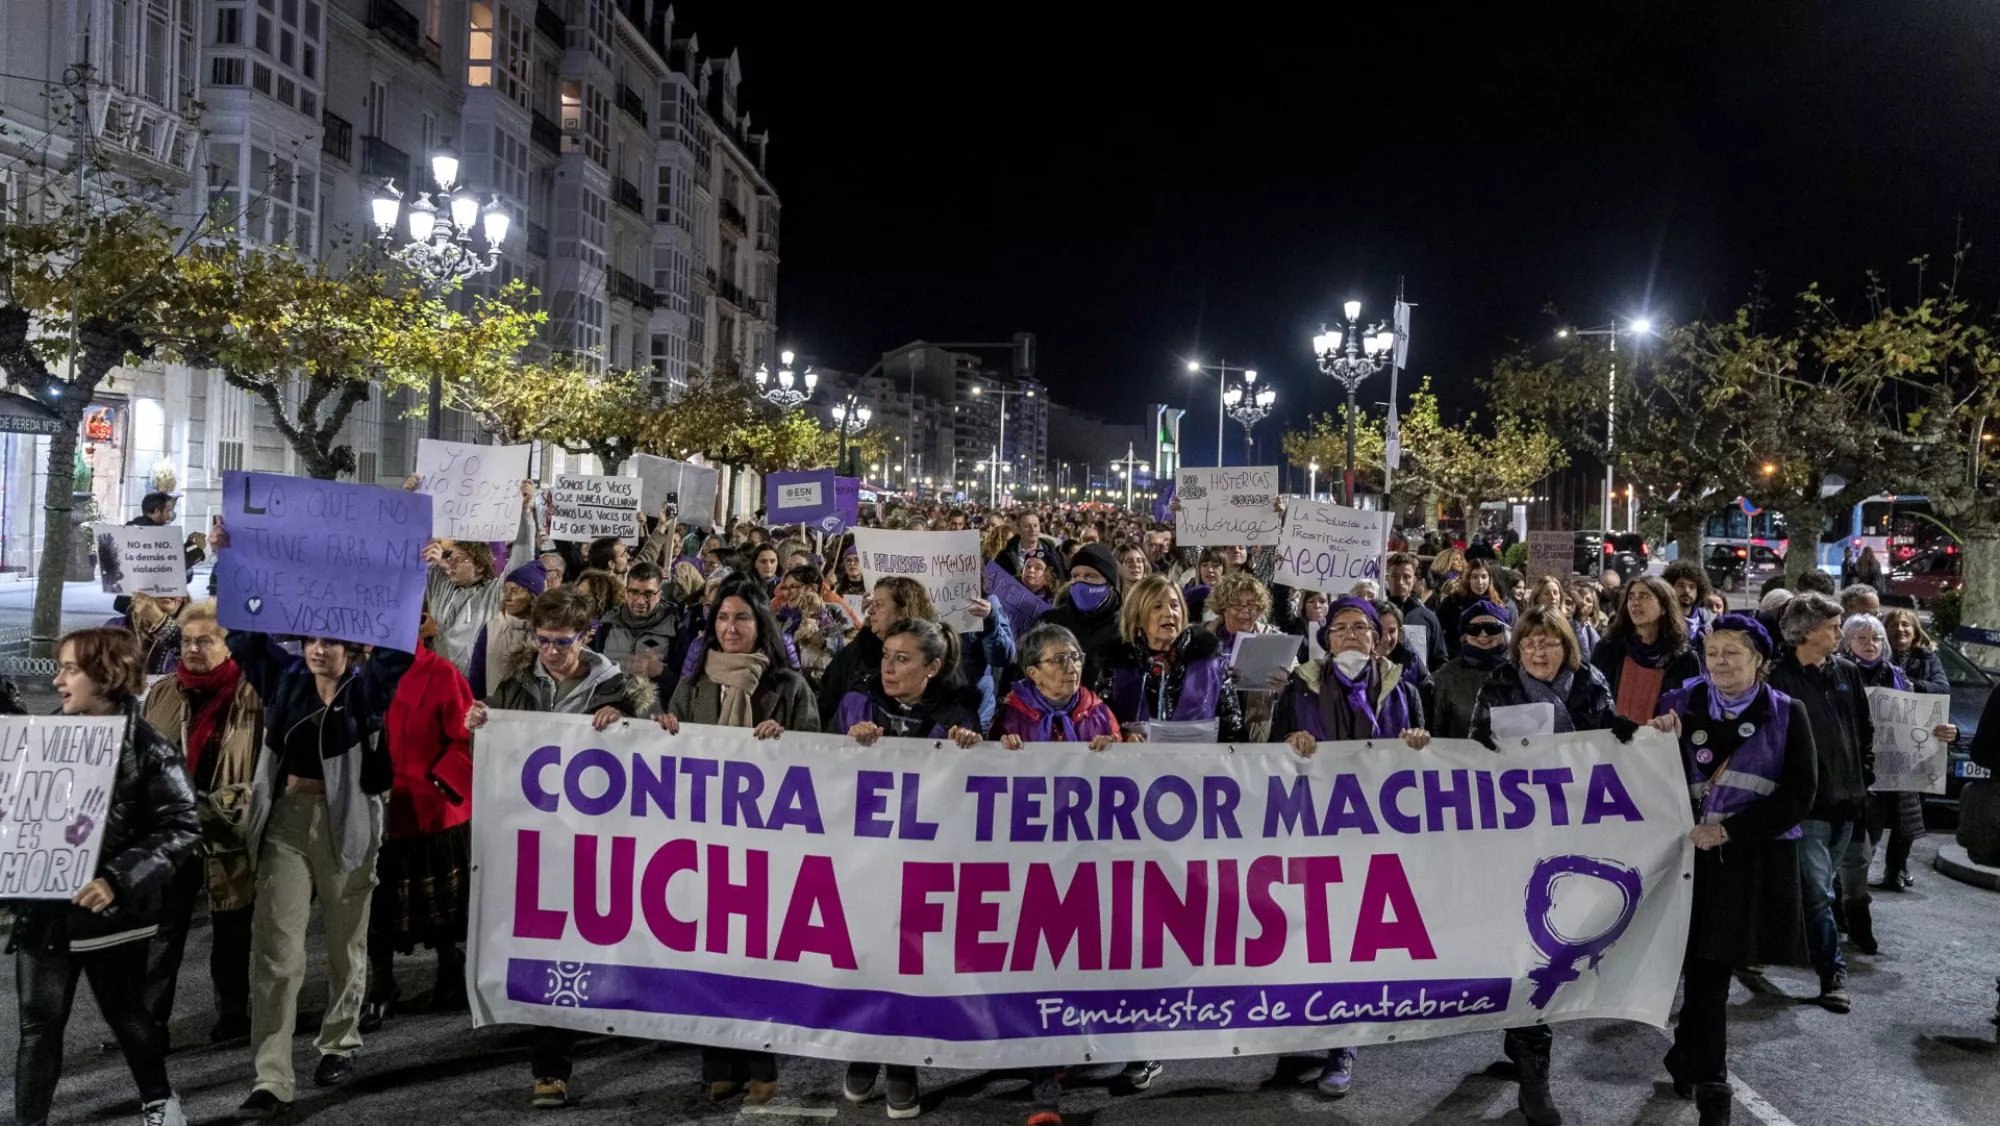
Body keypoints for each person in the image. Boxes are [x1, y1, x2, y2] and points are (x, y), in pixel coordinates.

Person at [465, 587, 651, 1109]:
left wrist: (627, 727)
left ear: (585, 636)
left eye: (561, 642)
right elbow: (493, 746)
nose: (550, 651)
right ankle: (550, 1067)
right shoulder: (516, 687)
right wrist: (480, 723)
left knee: (601, 942)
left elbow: (654, 751)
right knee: (551, 949)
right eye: (543, 640)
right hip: (536, 843)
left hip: (599, 841)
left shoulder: (616, 690)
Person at [221, 619, 413, 1118]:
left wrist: (411, 577)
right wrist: (230, 554)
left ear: (350, 647)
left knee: (345, 939)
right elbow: (242, 634)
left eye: (329, 641)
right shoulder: (285, 679)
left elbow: (398, 651)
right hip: (285, 821)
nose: (318, 650)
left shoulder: (367, 686)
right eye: (311, 641)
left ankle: (338, 1041)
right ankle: (271, 1076)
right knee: (276, 950)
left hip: (347, 822)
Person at [13, 628, 199, 1126]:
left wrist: (116, 879)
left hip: (110, 911)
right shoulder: (47, 734)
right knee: (38, 1023)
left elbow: (182, 826)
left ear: (105, 675)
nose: (57, 680)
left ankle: (160, 1103)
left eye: (70, 669)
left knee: (125, 1013)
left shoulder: (148, 746)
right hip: (47, 909)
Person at [1467, 607, 1632, 1125]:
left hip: (1574, 838)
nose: (1539, 652)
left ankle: (1530, 1064)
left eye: (1550, 643)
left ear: (1568, 647)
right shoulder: (1498, 684)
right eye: (1530, 644)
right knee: (1522, 946)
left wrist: (1646, 734)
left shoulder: (1590, 685)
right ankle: (1529, 1062)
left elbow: (1614, 742)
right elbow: (1474, 747)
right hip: (1515, 836)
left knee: (1552, 948)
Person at [658, 578, 818, 1105]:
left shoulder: (788, 685)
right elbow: (670, 752)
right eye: (722, 619)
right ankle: (717, 1064)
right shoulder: (693, 684)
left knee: (755, 960)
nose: (730, 628)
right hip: (703, 843)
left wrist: (788, 744)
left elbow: (820, 759)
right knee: (708, 958)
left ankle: (762, 1065)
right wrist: (659, 728)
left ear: (760, 627)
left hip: (766, 846)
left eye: (742, 619)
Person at [1652, 615, 1816, 1126]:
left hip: (1742, 863)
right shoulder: (1677, 704)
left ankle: (1713, 1086)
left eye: (1733, 653)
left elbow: (1799, 795)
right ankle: (1686, 1057)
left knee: (1712, 973)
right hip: (1680, 860)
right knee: (1691, 967)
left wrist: (1729, 831)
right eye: (1713, 652)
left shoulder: (1789, 713)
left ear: (1760, 662)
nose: (1720, 662)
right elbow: (1646, 776)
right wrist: (1650, 740)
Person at [1270, 597, 1428, 1100]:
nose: (1352, 636)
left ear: (1379, 638)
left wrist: (1421, 741)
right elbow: (1270, 751)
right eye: (1340, 628)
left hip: (1378, 832)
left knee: (1355, 940)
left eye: (1362, 627)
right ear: (1326, 639)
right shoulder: (1301, 685)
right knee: (1308, 933)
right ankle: (1301, 1034)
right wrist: (1290, 741)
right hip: (1313, 826)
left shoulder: (1402, 685)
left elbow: (1434, 753)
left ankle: (1343, 1044)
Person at [832, 616, 982, 1118]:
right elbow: (816, 767)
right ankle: (865, 1048)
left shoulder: (959, 714)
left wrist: (969, 751)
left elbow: (971, 794)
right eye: (886, 656)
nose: (889, 667)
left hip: (924, 864)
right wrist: (846, 745)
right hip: (862, 857)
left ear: (933, 667)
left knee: (910, 963)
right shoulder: (858, 701)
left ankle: (900, 1064)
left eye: (903, 658)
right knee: (865, 956)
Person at [138, 603, 260, 1047]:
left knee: (231, 928)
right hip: (170, 832)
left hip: (227, 826)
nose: (192, 648)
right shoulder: (162, 693)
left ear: (228, 646)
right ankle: (149, 1022)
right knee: (163, 930)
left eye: (205, 640)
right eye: (187, 640)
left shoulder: (251, 694)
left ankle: (232, 1014)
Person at [360, 623, 476, 1033]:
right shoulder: (357, 675)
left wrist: (440, 783)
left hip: (430, 812)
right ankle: (381, 984)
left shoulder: (443, 674)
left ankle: (450, 973)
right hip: (375, 811)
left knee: (441, 909)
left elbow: (466, 740)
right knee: (376, 908)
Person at [1765, 592, 1872, 1014]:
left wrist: (1865, 777)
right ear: (1807, 632)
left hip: (1847, 804)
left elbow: (1863, 729)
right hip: (1807, 809)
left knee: (1819, 890)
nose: (1839, 633)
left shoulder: (1846, 672)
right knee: (1819, 894)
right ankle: (1832, 974)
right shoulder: (1778, 678)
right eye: (1831, 627)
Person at [1102, 575, 1244, 741]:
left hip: (1199, 764)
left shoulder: (1210, 662)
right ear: (1138, 617)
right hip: (1136, 764)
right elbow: (1102, 725)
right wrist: (1123, 738)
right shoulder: (1116, 664)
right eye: (1157, 607)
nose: (1169, 613)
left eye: (1175, 605)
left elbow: (1233, 727)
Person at [1879, 607, 1949, 888]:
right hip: (1882, 747)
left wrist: (1908, 686)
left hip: (1916, 748)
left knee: (1907, 815)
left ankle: (1896, 869)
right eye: (1894, 625)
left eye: (1906, 625)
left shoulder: (1927, 659)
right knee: (1874, 813)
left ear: (1915, 630)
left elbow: (1941, 688)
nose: (1901, 630)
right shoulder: (1879, 657)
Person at [1592, 576, 1701, 725]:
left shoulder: (1684, 658)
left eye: (1644, 596)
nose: (1635, 602)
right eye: (1631, 597)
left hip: (1659, 743)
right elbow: (1592, 699)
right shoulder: (1608, 648)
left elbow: (1691, 711)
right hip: (1611, 742)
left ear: (1663, 607)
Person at [590, 559, 681, 709]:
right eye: (634, 592)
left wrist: (662, 672)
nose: (640, 600)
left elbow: (684, 688)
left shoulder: (675, 627)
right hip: (607, 711)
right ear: (625, 593)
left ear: (659, 595)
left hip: (651, 718)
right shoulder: (607, 624)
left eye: (648, 594)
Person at [1037, 544, 1124, 691]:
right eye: (1075, 576)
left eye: (1090, 576)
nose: (1080, 582)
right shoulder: (1050, 622)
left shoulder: (1127, 625)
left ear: (1109, 583)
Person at [1427, 601, 1512, 739]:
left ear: (1505, 632)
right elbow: (1437, 731)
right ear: (1465, 635)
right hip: (1461, 758)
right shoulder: (1445, 676)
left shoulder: (1519, 671)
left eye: (1491, 628)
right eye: (1474, 629)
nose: (1483, 634)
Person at [423, 539, 505, 680]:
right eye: (450, 557)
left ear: (479, 566)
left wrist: (527, 522)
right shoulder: (441, 580)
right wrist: (427, 557)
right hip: (439, 676)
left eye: (459, 559)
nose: (452, 563)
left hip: (476, 683)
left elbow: (520, 563)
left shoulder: (494, 592)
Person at [469, 560, 547, 699]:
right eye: (505, 589)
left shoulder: (548, 632)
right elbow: (477, 676)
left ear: (532, 596)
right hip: (494, 711)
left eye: (514, 590)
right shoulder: (491, 628)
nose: (507, 596)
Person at [1384, 551, 1449, 671]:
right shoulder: (1377, 614)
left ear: (1414, 579)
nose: (1400, 582)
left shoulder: (1427, 617)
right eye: (1395, 576)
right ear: (1387, 578)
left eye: (1406, 576)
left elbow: (1440, 659)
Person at [1436, 558, 1500, 659]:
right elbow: (1438, 629)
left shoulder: (1495, 603)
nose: (1480, 582)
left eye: (1484, 577)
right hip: (1455, 659)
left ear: (1490, 579)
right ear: (1467, 578)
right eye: (1474, 577)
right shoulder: (1453, 601)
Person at [1663, 558, 1717, 641]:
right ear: (1670, 587)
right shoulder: (1661, 618)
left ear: (1698, 591)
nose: (1687, 591)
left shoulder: (1707, 619)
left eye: (1692, 587)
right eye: (1681, 585)